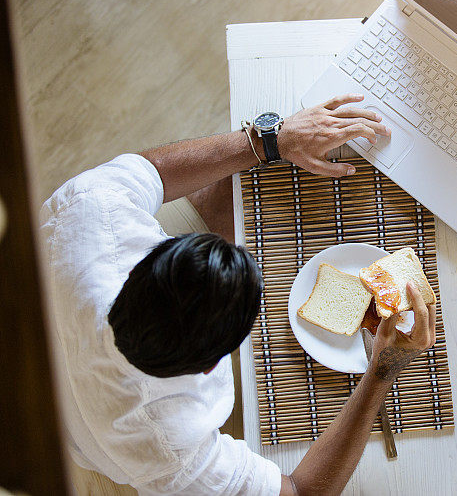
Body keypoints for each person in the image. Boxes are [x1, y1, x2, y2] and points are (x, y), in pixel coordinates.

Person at [40, 93, 437, 495]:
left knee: (229, 190)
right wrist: (383, 370)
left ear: (151, 261)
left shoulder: (92, 211)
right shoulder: (173, 450)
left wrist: (272, 140)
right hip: (83, 442)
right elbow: (300, 491)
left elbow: (153, 171)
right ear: (216, 365)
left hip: (47, 339)